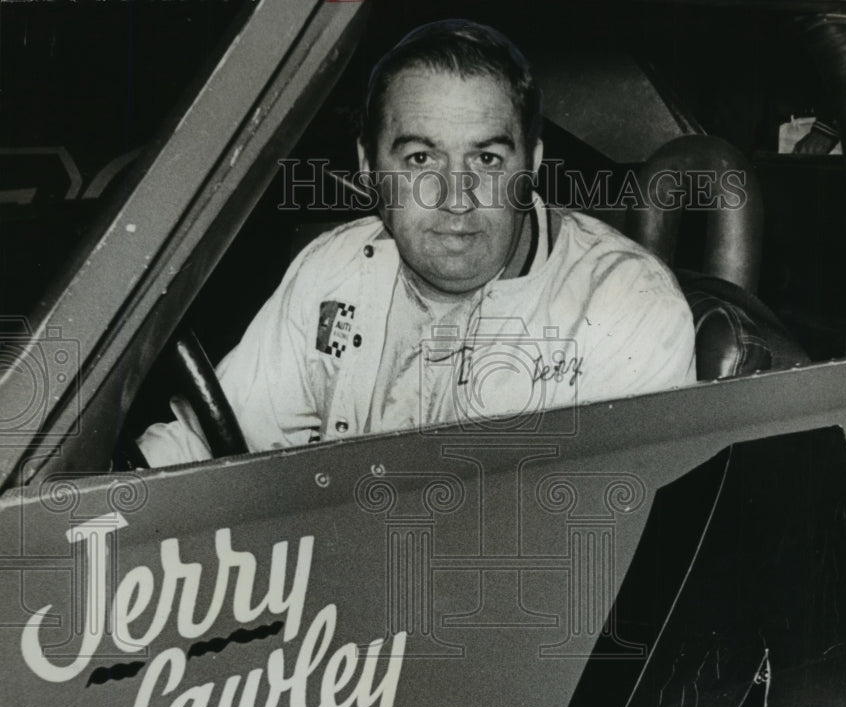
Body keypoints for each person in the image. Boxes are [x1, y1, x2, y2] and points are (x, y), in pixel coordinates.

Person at [139, 19, 695, 467]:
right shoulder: (333, 271)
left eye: (487, 158)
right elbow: (207, 443)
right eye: (420, 159)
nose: (457, 196)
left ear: (534, 165)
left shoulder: (626, 307)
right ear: (367, 167)